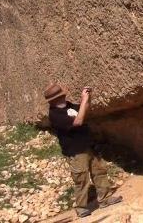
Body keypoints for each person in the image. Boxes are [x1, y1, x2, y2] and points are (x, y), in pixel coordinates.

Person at [44, 83, 123, 218]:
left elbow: (83, 109)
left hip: (87, 145)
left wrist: (87, 98)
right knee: (81, 179)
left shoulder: (68, 105)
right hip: (75, 151)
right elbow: (78, 121)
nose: (64, 96)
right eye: (61, 95)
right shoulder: (55, 115)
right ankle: (81, 207)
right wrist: (84, 100)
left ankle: (105, 198)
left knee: (99, 171)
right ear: (55, 99)